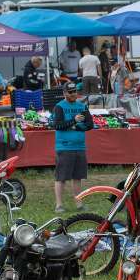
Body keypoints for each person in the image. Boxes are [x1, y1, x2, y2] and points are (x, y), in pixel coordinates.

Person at [51, 82, 94, 213]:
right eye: (70, 92)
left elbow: (90, 124)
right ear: (64, 93)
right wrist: (73, 121)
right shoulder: (59, 107)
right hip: (64, 147)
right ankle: (59, 205)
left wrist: (75, 127)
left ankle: (79, 204)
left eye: (75, 91)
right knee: (61, 177)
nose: (73, 94)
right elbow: (57, 125)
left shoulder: (82, 106)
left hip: (80, 147)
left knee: (78, 177)